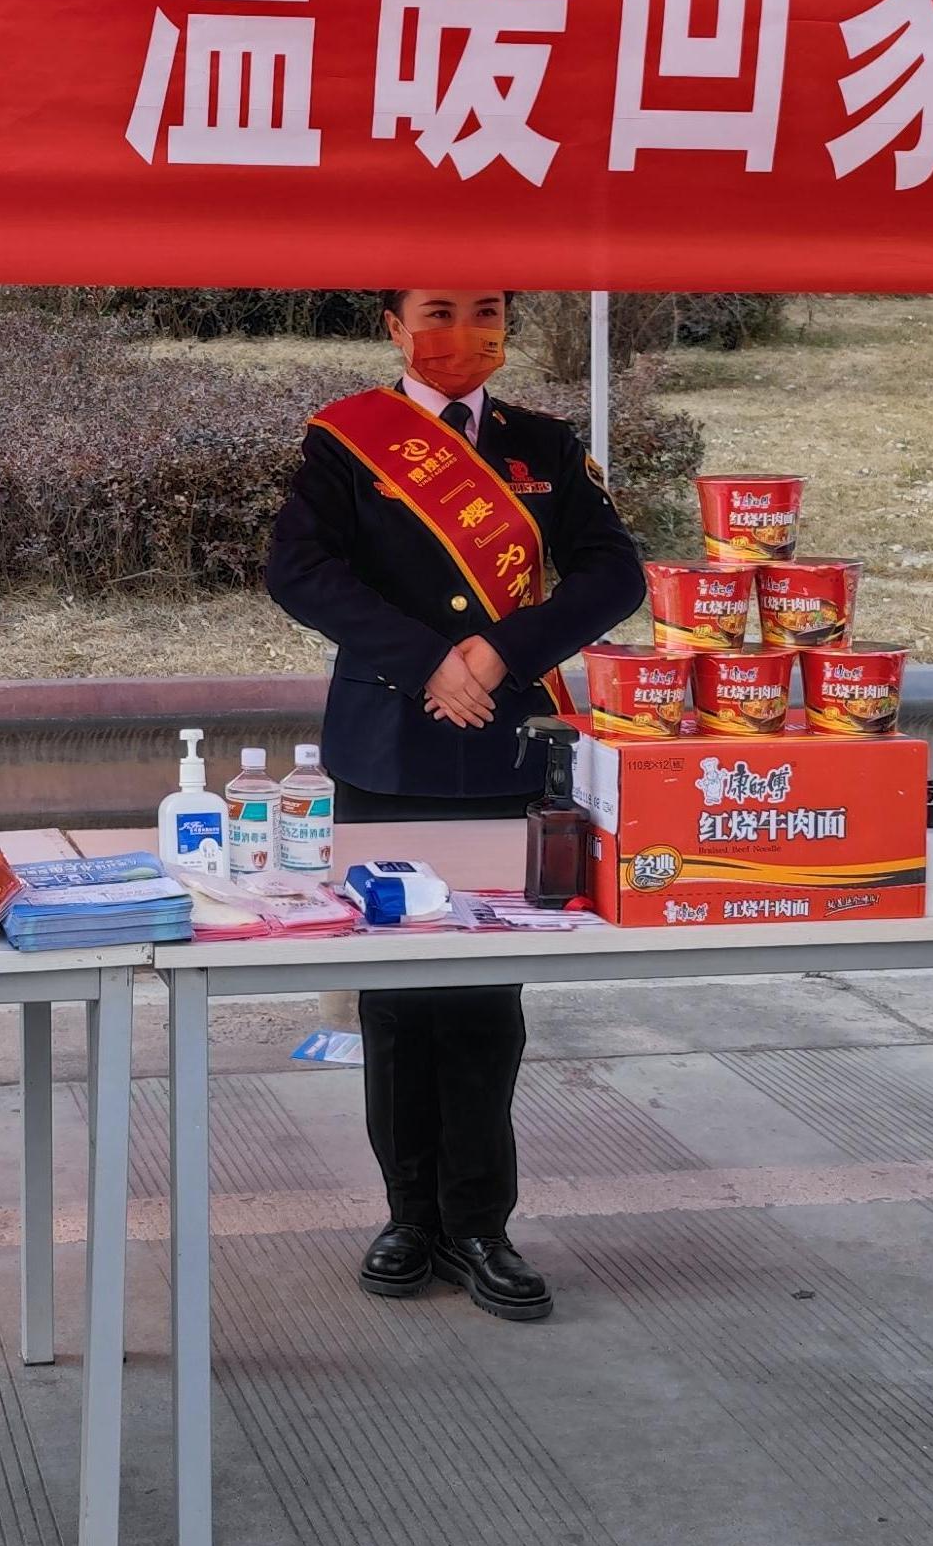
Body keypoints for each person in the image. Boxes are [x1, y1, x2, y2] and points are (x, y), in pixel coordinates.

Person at [264, 289, 646, 1320]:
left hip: (504, 748)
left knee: (483, 1001)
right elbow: (298, 572)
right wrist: (429, 660)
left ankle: (480, 1225)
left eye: (485, 310)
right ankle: (407, 1219)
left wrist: (500, 651)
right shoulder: (348, 439)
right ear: (393, 326)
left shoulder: (543, 444)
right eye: (437, 310)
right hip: (389, 745)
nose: (462, 331)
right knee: (393, 998)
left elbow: (612, 574)